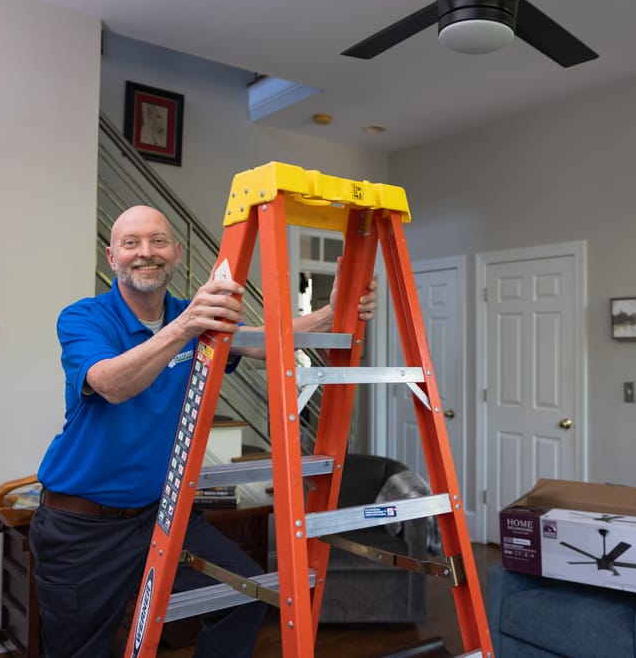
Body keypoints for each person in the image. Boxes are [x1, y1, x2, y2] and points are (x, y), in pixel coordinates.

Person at [30, 205, 378, 658]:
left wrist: (335, 311)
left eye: (158, 241)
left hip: (162, 514)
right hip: (82, 526)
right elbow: (111, 384)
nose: (145, 252)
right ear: (112, 257)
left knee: (245, 595)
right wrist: (185, 327)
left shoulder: (190, 316)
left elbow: (265, 341)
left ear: (176, 252)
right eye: (131, 243)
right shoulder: (84, 318)